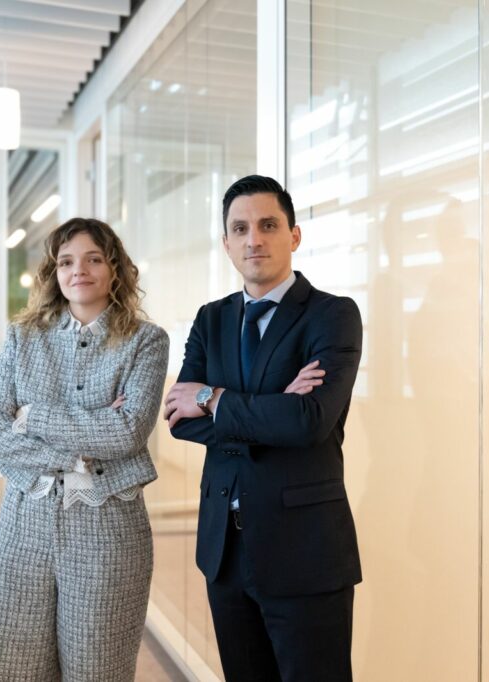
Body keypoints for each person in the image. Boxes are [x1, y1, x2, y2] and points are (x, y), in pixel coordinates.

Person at [164, 175, 363, 681]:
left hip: (304, 550)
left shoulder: (333, 315)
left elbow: (309, 421)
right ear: (226, 243)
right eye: (241, 228)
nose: (254, 239)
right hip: (224, 553)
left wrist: (213, 399)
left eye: (268, 225)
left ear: (294, 235)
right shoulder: (211, 319)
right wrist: (273, 410)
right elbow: (180, 421)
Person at [0, 217, 169, 682]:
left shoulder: (146, 341)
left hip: (109, 531)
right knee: (13, 668)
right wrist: (75, 453)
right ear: (54, 272)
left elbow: (126, 433)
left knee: (97, 669)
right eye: (66, 262)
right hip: (24, 526)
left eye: (93, 259)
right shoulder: (23, 337)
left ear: (115, 269)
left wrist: (31, 417)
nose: (78, 270)